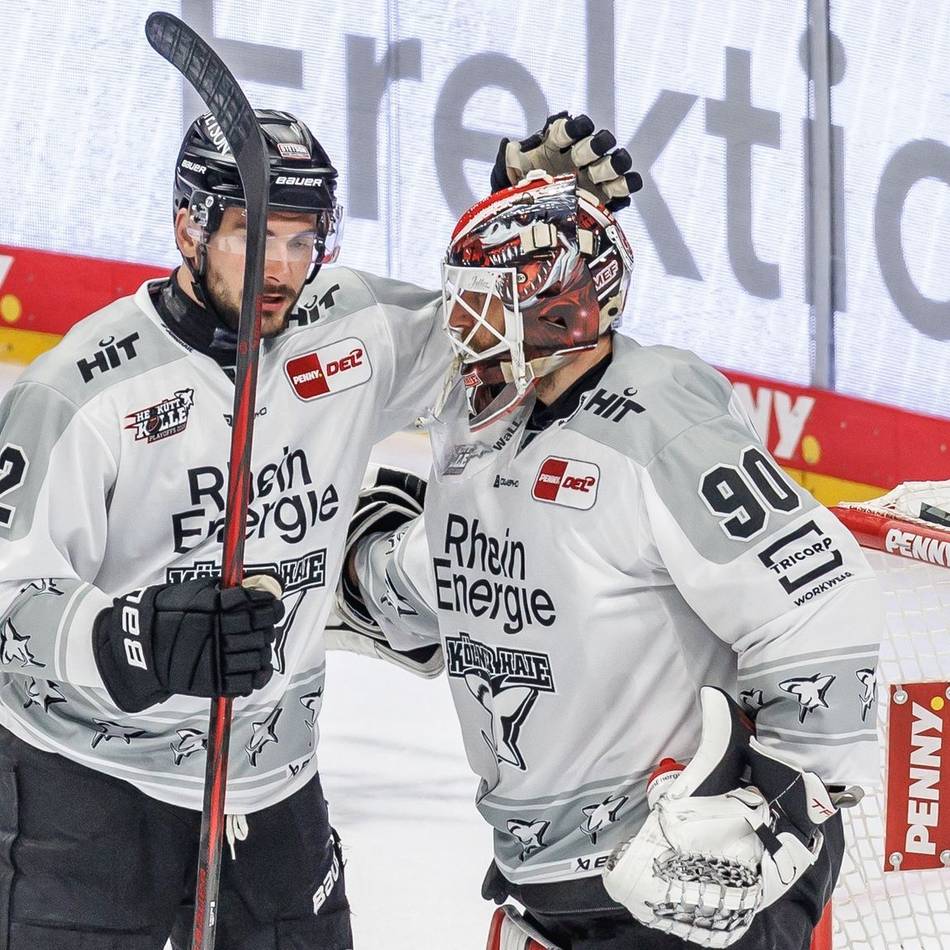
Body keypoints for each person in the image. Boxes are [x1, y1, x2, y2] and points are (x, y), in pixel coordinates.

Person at [0, 105, 638, 950]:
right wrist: (135, 640)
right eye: (253, 236)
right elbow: (12, 604)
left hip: (275, 804)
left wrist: (524, 233)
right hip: (86, 805)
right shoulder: (81, 390)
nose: (282, 268)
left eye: (303, 241)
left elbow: (487, 338)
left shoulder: (349, 329)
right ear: (186, 225)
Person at [342, 173, 885, 949]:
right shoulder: (479, 429)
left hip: (692, 887)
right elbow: (480, 575)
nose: (460, 322)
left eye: (484, 297)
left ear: (560, 302)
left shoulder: (659, 414)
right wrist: (343, 563)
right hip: (543, 891)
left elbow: (819, 600)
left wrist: (775, 813)